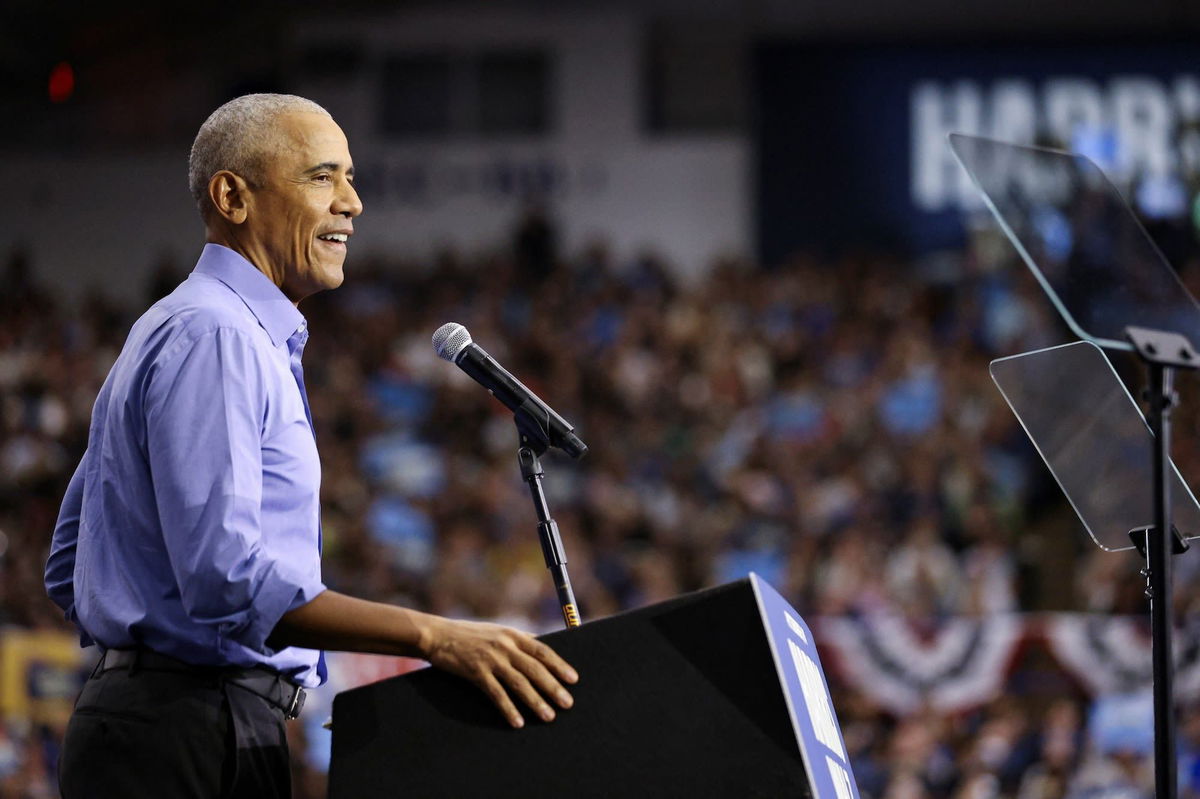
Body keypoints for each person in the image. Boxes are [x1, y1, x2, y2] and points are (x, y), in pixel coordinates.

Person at [44, 93, 578, 798]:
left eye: (351, 178)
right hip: (184, 733)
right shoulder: (218, 337)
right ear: (233, 196)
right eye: (323, 177)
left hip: (180, 721)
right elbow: (224, 577)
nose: (352, 203)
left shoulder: (201, 330)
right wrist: (432, 635)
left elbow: (67, 564)